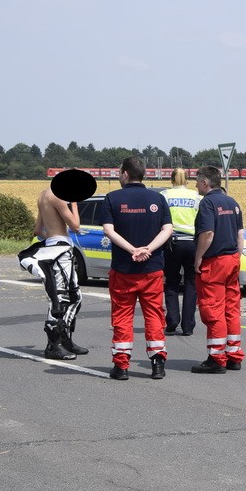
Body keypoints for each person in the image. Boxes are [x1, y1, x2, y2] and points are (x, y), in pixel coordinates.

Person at [101, 156, 173, 380]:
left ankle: (121, 366)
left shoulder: (112, 198)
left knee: (122, 315)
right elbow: (168, 229)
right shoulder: (157, 198)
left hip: (124, 269)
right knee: (154, 314)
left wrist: (133, 250)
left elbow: (108, 231)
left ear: (125, 174)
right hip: (152, 268)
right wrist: (147, 249)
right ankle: (157, 364)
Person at [18, 185, 87, 360]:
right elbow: (76, 225)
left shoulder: (43, 195)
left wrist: (52, 235)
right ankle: (53, 344)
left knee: (71, 297)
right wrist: (74, 204)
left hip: (53, 247)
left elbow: (37, 230)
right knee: (62, 298)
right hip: (61, 251)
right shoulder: (57, 197)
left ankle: (64, 339)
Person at [191, 165, 245, 374]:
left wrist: (198, 258)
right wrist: (237, 257)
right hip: (232, 259)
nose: (195, 184)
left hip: (214, 262)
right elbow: (240, 234)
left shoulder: (208, 203)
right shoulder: (232, 202)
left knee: (213, 310)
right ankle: (234, 355)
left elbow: (208, 234)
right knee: (231, 309)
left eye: (197, 181)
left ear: (205, 182)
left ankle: (216, 357)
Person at [160, 167, 201, 336]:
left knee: (171, 282)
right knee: (191, 283)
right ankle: (188, 326)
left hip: (172, 243)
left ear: (171, 180)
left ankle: (172, 320)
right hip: (192, 243)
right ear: (187, 181)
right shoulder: (196, 197)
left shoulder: (164, 195)